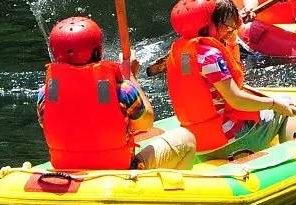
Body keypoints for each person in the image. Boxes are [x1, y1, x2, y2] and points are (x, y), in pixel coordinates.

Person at [36, 16, 195, 171]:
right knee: (186, 138)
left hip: (68, 169)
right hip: (120, 170)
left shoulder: (46, 92)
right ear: (98, 51)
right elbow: (146, 123)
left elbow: (48, 124)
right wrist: (131, 77)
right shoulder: (122, 89)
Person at [166, 0, 296, 159]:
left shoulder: (179, 53)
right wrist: (274, 104)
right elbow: (236, 99)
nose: (231, 28)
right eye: (227, 24)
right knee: (288, 103)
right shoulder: (210, 56)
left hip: (198, 144)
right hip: (229, 141)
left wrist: (233, 33)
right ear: (211, 24)